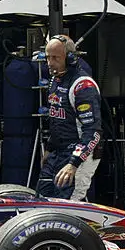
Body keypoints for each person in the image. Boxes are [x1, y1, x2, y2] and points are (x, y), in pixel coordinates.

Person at [36, 35, 102, 200]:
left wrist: (74, 163)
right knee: (42, 199)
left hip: (80, 152)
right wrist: (49, 149)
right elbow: (56, 119)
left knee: (67, 205)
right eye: (48, 58)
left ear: (70, 57)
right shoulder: (55, 80)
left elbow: (93, 131)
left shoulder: (83, 86)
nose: (50, 63)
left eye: (56, 58)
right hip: (58, 151)